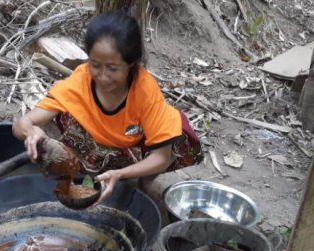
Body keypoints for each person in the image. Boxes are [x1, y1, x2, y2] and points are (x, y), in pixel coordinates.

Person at [12, 10, 202, 202]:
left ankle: (145, 180)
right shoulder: (81, 80)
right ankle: (91, 167)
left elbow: (161, 157)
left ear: (131, 63)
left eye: (113, 68)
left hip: (132, 145)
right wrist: (31, 132)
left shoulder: (144, 91)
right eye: (95, 65)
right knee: (65, 116)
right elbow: (22, 124)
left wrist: (120, 174)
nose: (102, 76)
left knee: (178, 134)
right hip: (92, 143)